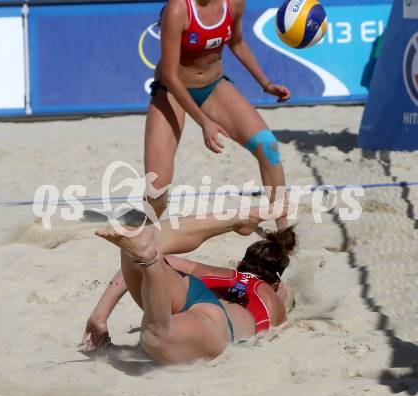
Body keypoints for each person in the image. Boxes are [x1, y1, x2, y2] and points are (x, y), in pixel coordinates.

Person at [82, 206, 295, 364]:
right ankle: (149, 259)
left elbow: (132, 273)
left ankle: (233, 219)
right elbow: (282, 311)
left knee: (143, 254)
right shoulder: (271, 297)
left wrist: (100, 315)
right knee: (155, 337)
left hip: (196, 291)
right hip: (218, 323)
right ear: (276, 281)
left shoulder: (220, 273)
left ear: (241, 264)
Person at [145, 0, 291, 229]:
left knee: (268, 146)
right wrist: (205, 121)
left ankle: (283, 231)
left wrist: (266, 83)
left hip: (212, 87)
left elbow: (238, 42)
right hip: (171, 91)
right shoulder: (178, 9)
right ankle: (144, 230)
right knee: (157, 186)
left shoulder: (234, 3)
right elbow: (170, 75)